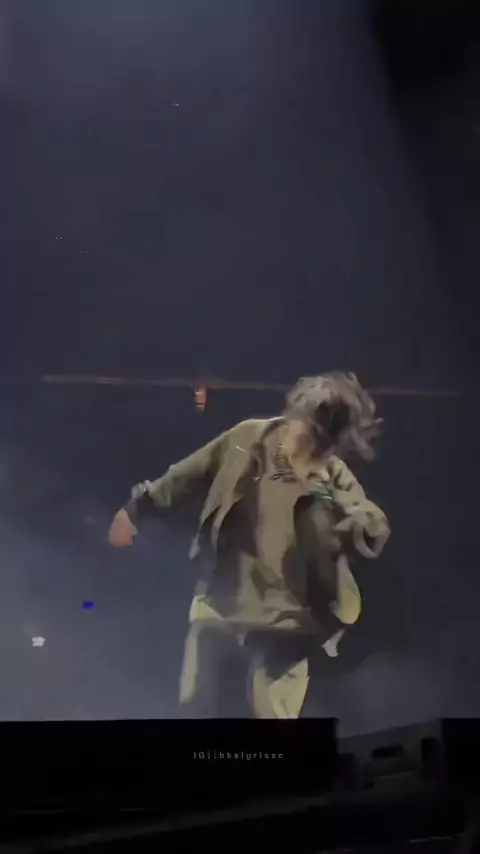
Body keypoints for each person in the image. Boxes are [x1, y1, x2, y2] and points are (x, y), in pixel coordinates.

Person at [108, 372, 390, 718]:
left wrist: (337, 507)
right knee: (194, 702)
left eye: (323, 444)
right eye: (307, 434)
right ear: (296, 417)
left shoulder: (332, 477)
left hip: (289, 619)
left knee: (271, 713)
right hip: (223, 596)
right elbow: (190, 472)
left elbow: (371, 523)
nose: (310, 449)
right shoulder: (249, 439)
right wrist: (136, 510)